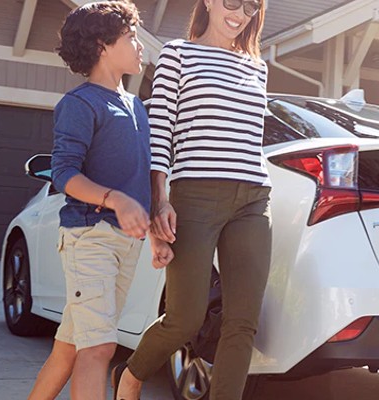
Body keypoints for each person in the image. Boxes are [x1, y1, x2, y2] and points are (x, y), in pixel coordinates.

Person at [114, 0, 271, 399]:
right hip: (195, 196)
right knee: (185, 319)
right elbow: (160, 131)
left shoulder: (257, 65)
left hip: (253, 199)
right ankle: (131, 376)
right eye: (232, 2)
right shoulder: (177, 54)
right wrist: (158, 201)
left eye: (251, 6)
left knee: (242, 324)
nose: (239, 13)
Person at [26, 2, 160, 399]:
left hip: (124, 244)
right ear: (102, 45)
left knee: (70, 347)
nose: (140, 47)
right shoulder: (80, 104)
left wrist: (154, 230)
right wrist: (114, 199)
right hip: (91, 237)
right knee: (98, 348)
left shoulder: (136, 106)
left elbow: (139, 178)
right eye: (131, 37)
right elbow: (65, 173)